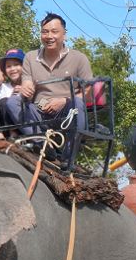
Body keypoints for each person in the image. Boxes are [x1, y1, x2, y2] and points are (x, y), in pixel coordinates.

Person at [25, 13, 93, 163]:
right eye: (45, 32)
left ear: (64, 35)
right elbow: (27, 85)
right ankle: (43, 147)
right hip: (40, 107)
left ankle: (68, 158)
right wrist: (26, 88)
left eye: (54, 31)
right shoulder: (30, 57)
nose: (49, 36)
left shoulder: (79, 58)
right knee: (16, 104)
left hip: (67, 110)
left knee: (78, 104)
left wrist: (64, 101)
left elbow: (88, 92)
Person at [0, 47, 37, 134]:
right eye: (8, 66)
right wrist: (12, 96)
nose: (13, 69)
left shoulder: (33, 84)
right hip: (9, 130)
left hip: (30, 124)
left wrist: (28, 95)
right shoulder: (3, 88)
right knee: (4, 101)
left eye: (16, 65)